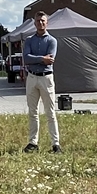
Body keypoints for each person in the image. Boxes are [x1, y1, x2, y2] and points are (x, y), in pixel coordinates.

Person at [21, 10, 61, 154]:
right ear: (34, 23)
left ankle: (55, 144)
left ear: (47, 23)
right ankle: (33, 142)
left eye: (43, 21)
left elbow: (50, 59)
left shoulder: (52, 41)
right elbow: (26, 58)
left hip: (46, 78)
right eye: (38, 21)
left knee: (50, 112)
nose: (41, 23)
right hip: (32, 77)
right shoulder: (29, 40)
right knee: (33, 112)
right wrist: (41, 59)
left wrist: (37, 59)